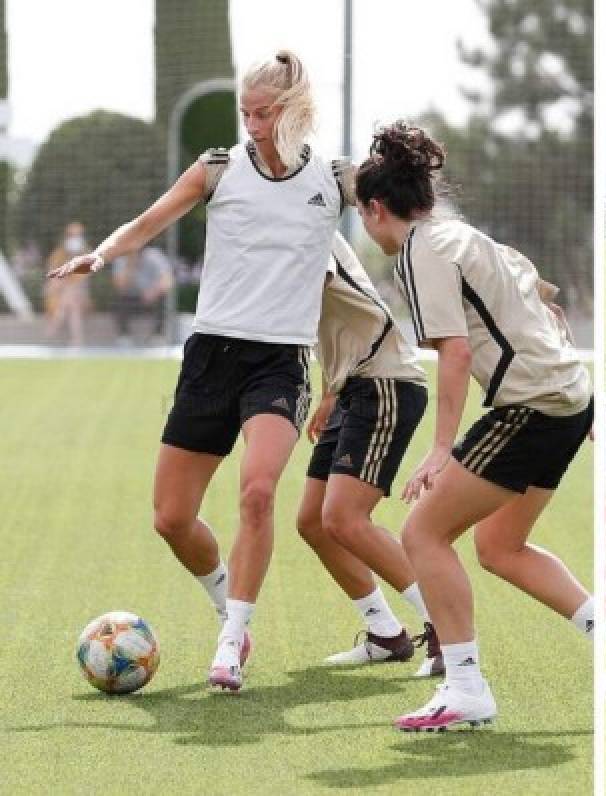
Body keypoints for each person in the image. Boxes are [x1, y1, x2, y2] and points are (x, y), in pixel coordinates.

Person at [48, 51, 351, 692]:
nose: (253, 124)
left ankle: (229, 644)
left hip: (279, 362)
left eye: (264, 113)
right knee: (170, 517)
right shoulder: (218, 169)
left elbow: (408, 217)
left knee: (258, 492)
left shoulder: (336, 179)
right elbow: (150, 221)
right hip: (210, 355)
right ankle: (227, 609)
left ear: (295, 111)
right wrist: (99, 257)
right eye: (246, 112)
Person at [355, 120, 594, 732]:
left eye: (362, 213)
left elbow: (455, 352)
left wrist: (439, 450)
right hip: (569, 398)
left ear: (377, 209)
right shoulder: (464, 235)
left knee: (422, 535)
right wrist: (570, 388)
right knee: (499, 547)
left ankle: (465, 689)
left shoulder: (420, 251)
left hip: (532, 406)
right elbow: (547, 302)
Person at [295, 231, 441, 675]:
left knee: (344, 518)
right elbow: (333, 320)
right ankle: (385, 633)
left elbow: (306, 290)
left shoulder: (306, 228)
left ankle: (445, 626)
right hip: (352, 387)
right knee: (314, 522)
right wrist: (328, 392)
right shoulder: (286, 229)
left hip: (385, 383)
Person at [111, 245, 174, 344]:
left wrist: (153, 291)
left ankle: (158, 336)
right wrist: (130, 264)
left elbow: (168, 281)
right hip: (131, 298)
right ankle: (124, 337)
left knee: (164, 299)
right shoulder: (121, 258)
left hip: (152, 296)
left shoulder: (154, 255)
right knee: (119, 302)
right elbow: (120, 287)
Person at [43, 221, 91, 346]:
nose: (75, 239)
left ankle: (51, 332)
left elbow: (83, 285)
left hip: (79, 299)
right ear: (66, 237)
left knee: (72, 299)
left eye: (78, 235)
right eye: (72, 235)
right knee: (70, 300)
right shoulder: (57, 255)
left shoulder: (88, 257)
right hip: (57, 297)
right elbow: (52, 282)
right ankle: (77, 341)